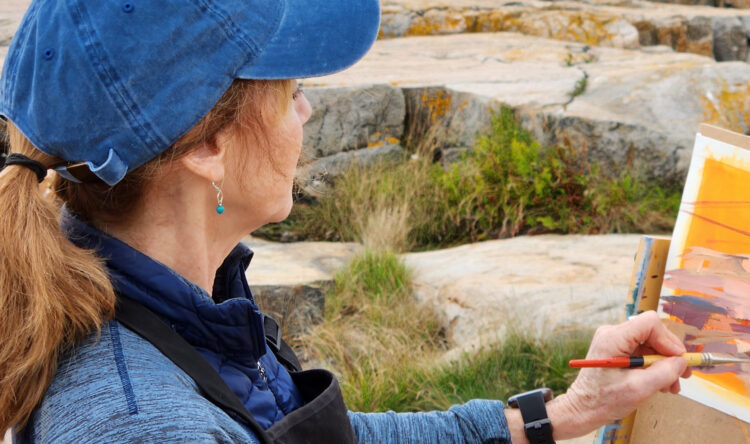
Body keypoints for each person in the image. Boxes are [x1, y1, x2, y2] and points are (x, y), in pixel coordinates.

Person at [0, 0, 691, 442]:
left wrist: (563, 414)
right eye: (292, 93)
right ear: (208, 148)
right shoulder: (142, 427)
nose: (304, 114)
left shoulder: (163, 299)